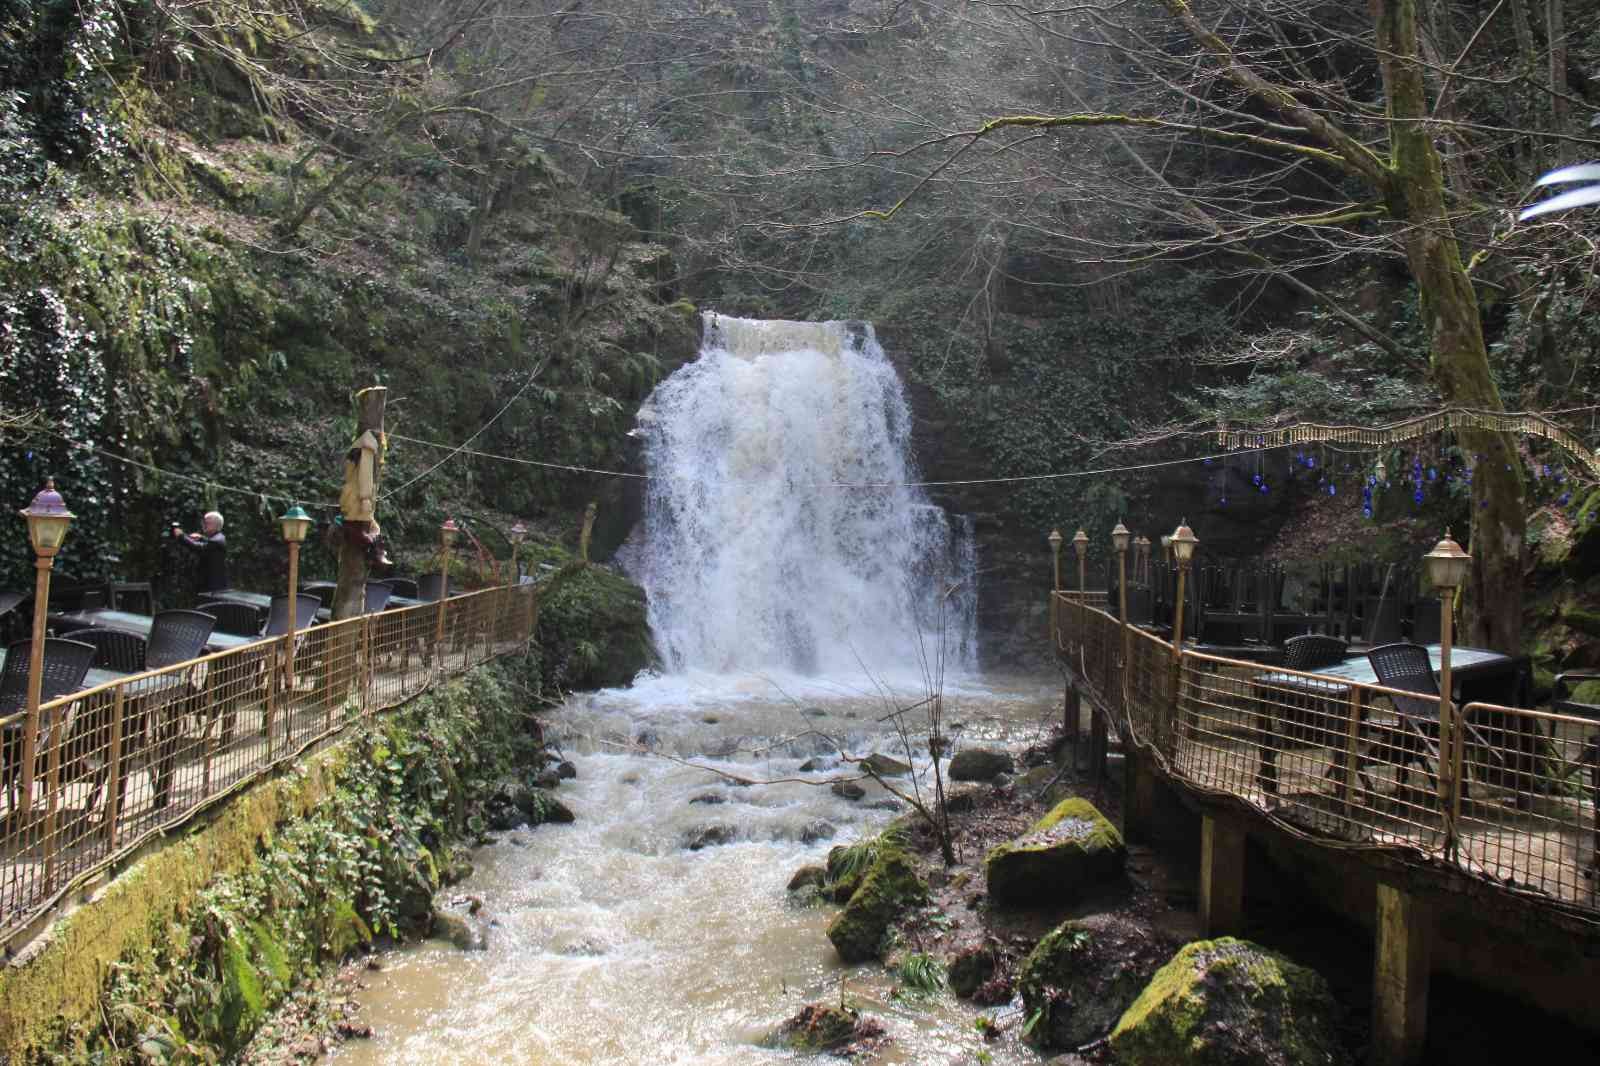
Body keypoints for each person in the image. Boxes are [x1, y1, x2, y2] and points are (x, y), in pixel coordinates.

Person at [172, 510, 229, 595]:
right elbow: (209, 543)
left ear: (216, 525)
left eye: (207, 523)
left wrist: (181, 536)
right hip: (211, 584)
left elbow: (199, 548)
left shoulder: (217, 540)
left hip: (212, 586)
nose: (204, 525)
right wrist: (201, 538)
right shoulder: (217, 538)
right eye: (204, 523)